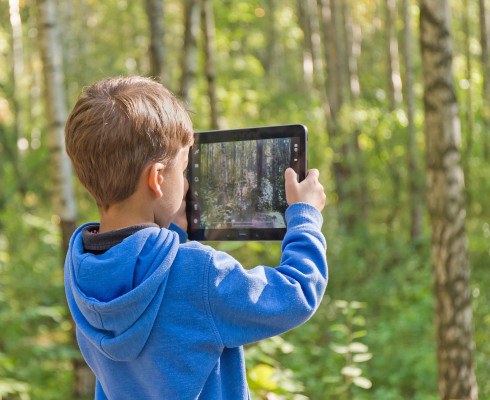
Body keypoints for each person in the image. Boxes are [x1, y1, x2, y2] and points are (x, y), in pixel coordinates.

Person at [64, 76, 328, 400]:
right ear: (157, 179)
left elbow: (155, 306)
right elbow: (295, 294)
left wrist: (172, 231)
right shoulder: (199, 273)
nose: (188, 183)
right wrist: (304, 216)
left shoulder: (82, 267)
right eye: (184, 168)